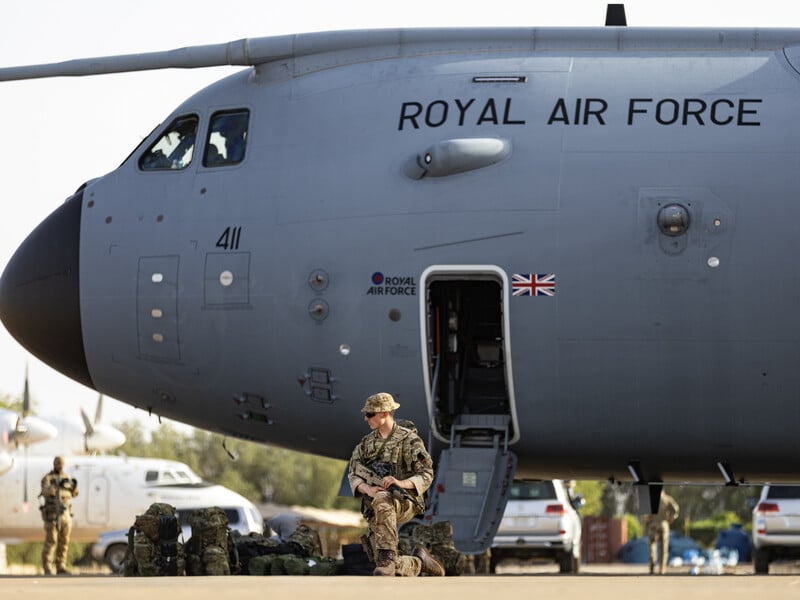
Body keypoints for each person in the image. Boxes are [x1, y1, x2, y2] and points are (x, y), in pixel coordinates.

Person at [348, 392, 445, 577]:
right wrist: (367, 488)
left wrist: (400, 483)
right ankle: (419, 562)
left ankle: (388, 558)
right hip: (375, 506)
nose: (365, 418)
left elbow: (426, 474)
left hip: (404, 500)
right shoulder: (366, 444)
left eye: (370, 414)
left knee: (383, 497)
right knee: (385, 565)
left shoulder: (409, 441)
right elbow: (353, 473)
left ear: (385, 413)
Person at [39, 456, 78, 575]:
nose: (60, 466)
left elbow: (74, 493)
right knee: (51, 541)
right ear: (54, 464)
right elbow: (44, 491)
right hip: (52, 515)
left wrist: (74, 488)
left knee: (64, 541)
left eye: (61, 464)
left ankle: (61, 566)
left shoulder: (67, 478)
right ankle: (47, 567)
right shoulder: (48, 478)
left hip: (66, 514)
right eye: (58, 464)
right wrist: (53, 488)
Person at [643, 490, 679, 575]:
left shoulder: (651, 499)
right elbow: (676, 509)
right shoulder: (667, 499)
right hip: (664, 524)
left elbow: (645, 515)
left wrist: (647, 522)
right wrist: (671, 519)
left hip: (653, 524)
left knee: (652, 544)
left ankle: (652, 562)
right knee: (664, 547)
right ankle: (662, 569)